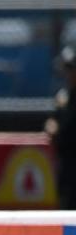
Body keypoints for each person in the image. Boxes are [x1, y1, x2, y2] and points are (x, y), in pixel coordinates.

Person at [45, 45, 76, 209]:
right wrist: (52, 127)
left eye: (72, 69)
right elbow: (53, 120)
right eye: (68, 69)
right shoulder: (63, 96)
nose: (69, 74)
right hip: (65, 165)